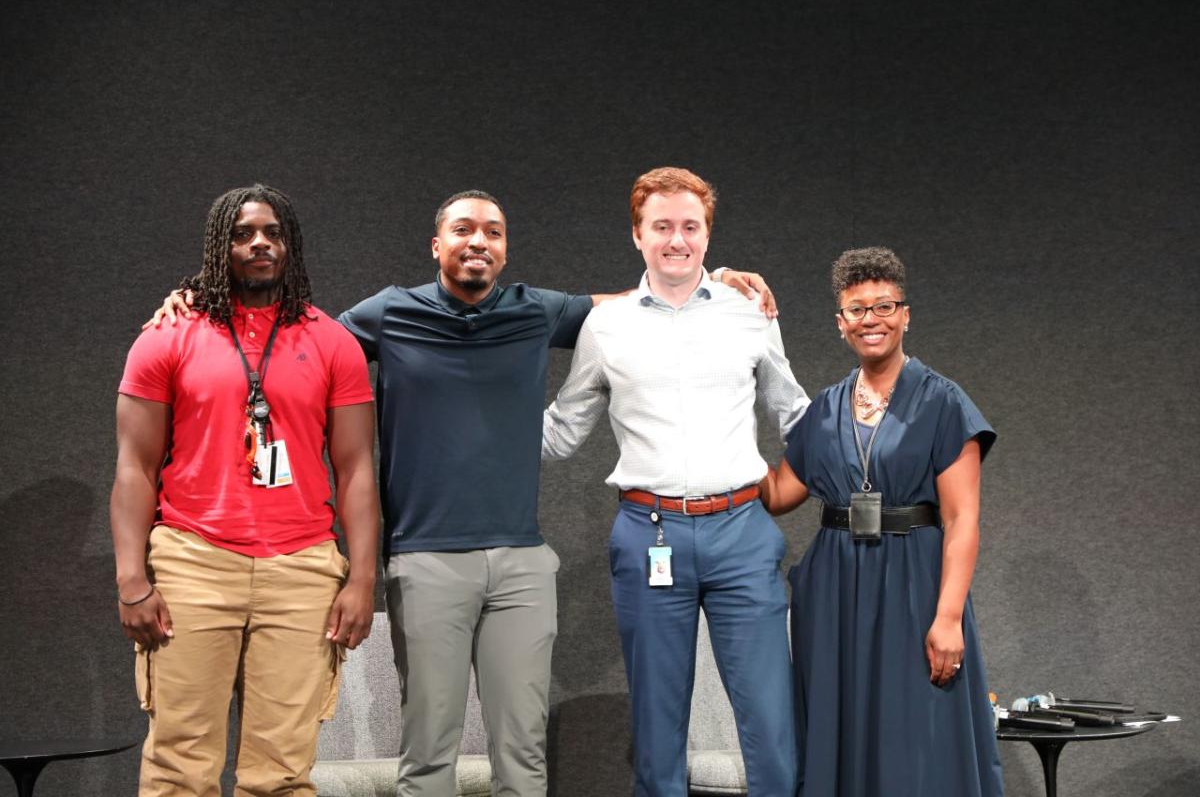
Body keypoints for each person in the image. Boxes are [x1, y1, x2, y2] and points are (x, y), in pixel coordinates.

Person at [148, 188, 775, 797]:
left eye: (492, 233)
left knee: (523, 754)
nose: (478, 241)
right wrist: (198, 299)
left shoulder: (538, 309)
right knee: (427, 753)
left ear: (504, 250)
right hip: (425, 557)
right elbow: (295, 339)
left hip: (522, 560)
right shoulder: (389, 312)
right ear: (436, 245)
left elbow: (642, 300)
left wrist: (715, 280)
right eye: (463, 230)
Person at [542, 167, 810, 796]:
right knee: (658, 729)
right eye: (661, 226)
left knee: (771, 722)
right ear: (638, 235)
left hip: (742, 531)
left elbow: (795, 413)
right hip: (649, 532)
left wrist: (853, 455)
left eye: (690, 226)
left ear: (708, 237)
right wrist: (476, 417)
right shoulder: (606, 328)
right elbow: (561, 433)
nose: (677, 240)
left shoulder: (748, 311)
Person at [112, 184, 379, 796]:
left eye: (272, 233)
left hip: (303, 570)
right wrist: (133, 579)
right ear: (218, 247)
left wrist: (361, 580)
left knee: (283, 773)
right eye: (241, 233)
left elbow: (357, 468)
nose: (259, 243)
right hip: (192, 563)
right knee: (180, 766)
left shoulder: (332, 341)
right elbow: (134, 467)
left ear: (291, 246)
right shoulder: (169, 335)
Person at [759, 247, 1004, 796]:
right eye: (857, 309)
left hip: (913, 585)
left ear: (906, 314)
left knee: (914, 734)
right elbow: (778, 494)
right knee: (839, 728)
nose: (871, 319)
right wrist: (720, 440)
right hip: (835, 591)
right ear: (841, 322)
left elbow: (963, 519)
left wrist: (948, 619)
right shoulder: (824, 408)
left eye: (884, 305)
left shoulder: (942, 401)